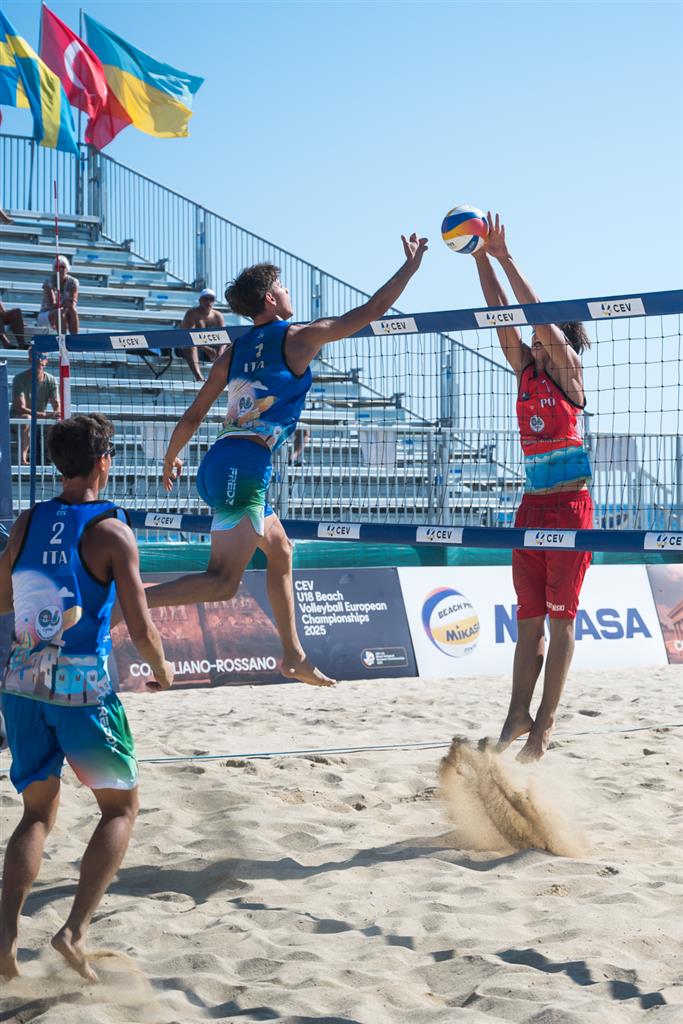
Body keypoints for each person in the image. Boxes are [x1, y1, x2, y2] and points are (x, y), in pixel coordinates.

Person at [128, 233, 428, 686]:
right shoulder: (299, 337)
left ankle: (294, 656)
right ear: (270, 298)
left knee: (281, 550)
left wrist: (171, 457)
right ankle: (129, 601)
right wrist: (411, 267)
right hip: (242, 468)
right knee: (222, 582)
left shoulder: (233, 352)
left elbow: (193, 415)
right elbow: (372, 311)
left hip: (223, 463)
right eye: (283, 287)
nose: (288, 292)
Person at [0, 413, 173, 982]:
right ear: (104, 461)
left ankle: (4, 937)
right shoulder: (112, 531)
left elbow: (2, 598)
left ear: (58, 464)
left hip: (22, 683)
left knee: (35, 814)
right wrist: (163, 671)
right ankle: (72, 931)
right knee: (119, 809)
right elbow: (142, 628)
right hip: (81, 690)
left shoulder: (27, 520)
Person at [472, 213, 593, 761]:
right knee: (528, 622)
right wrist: (480, 259)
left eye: (544, 338)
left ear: (558, 338)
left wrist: (506, 256)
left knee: (563, 619)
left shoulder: (569, 372)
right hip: (531, 508)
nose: (535, 343)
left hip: (570, 508)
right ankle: (517, 714)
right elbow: (502, 317)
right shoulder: (525, 370)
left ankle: (544, 727)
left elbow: (536, 317)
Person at [11, 348, 60, 465]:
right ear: (29, 359)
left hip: (39, 419)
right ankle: (23, 460)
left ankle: (49, 459)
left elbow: (57, 405)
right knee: (26, 419)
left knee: (56, 421)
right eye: (35, 356)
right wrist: (44, 415)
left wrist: (56, 414)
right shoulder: (19, 379)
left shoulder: (51, 380)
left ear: (46, 361)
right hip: (18, 418)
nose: (39, 360)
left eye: (42, 357)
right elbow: (20, 408)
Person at [175, 288, 227, 382]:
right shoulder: (192, 314)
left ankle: (222, 376)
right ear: (200, 300)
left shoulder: (218, 316)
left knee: (231, 345)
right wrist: (207, 349)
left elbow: (223, 338)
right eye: (205, 299)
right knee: (190, 345)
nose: (208, 302)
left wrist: (220, 353)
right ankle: (199, 377)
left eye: (211, 299)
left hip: (209, 350)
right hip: (189, 349)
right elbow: (189, 337)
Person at [39, 256, 79, 335]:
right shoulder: (48, 281)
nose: (60, 269)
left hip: (64, 311)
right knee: (59, 311)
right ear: (54, 269)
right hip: (47, 313)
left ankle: (75, 337)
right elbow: (51, 305)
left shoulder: (73, 282)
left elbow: (73, 302)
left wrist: (65, 305)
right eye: (58, 267)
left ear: (67, 268)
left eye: (63, 267)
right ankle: (62, 337)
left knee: (73, 310)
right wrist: (65, 303)